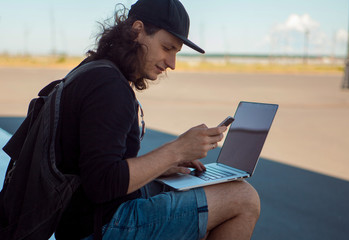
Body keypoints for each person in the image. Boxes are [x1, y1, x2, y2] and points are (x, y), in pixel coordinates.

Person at [54, 0, 260, 239]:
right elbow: (101, 184)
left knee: (204, 201)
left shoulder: (95, 70)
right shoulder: (108, 87)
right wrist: (177, 149)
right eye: (167, 48)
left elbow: (97, 165)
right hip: (98, 226)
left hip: (85, 216)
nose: (172, 63)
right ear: (137, 31)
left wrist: (160, 167)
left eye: (176, 52)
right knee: (243, 198)